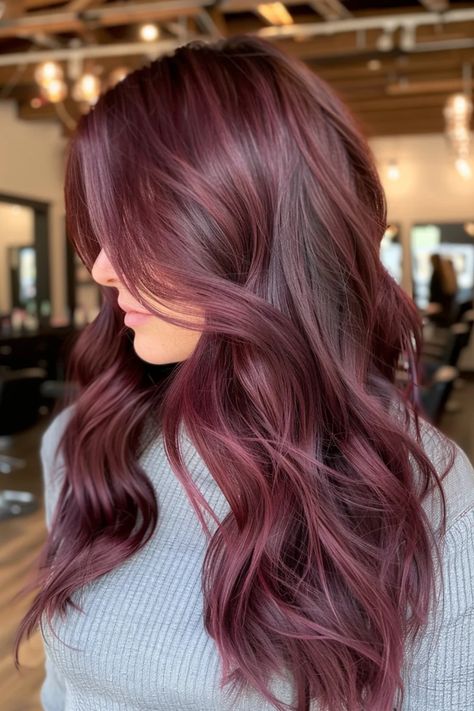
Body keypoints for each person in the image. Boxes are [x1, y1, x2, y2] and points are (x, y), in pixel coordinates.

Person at [13, 36, 473, 711]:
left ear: (255, 231)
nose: (102, 268)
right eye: (101, 228)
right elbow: (66, 690)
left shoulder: (430, 505)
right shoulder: (86, 449)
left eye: (142, 226)